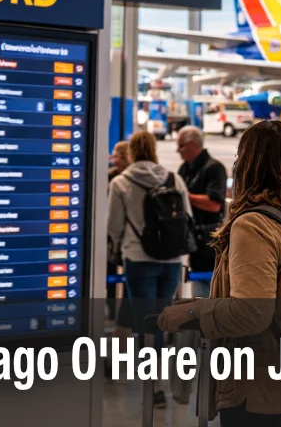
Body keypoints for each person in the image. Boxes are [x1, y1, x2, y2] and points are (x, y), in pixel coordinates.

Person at [156, 120, 281, 427]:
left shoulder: (254, 225)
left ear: (248, 166)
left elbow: (252, 312)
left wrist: (194, 309)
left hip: (266, 394)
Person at [107, 130, 192, 406]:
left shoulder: (121, 182)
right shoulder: (174, 178)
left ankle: (155, 387)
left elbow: (113, 226)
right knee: (159, 316)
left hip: (138, 259)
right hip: (170, 261)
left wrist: (121, 244)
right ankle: (142, 374)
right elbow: (186, 217)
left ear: (131, 152)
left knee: (147, 323)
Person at [176, 125, 228, 298]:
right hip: (194, 243)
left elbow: (214, 204)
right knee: (198, 292)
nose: (178, 150)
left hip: (211, 242)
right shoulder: (185, 169)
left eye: (181, 145)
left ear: (192, 145)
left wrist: (186, 196)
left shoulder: (214, 168)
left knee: (212, 291)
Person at [105, 141, 131, 323]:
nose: (112, 159)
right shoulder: (109, 177)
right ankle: (111, 311)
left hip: (127, 238)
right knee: (110, 274)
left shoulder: (123, 181)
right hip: (111, 239)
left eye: (115, 155)